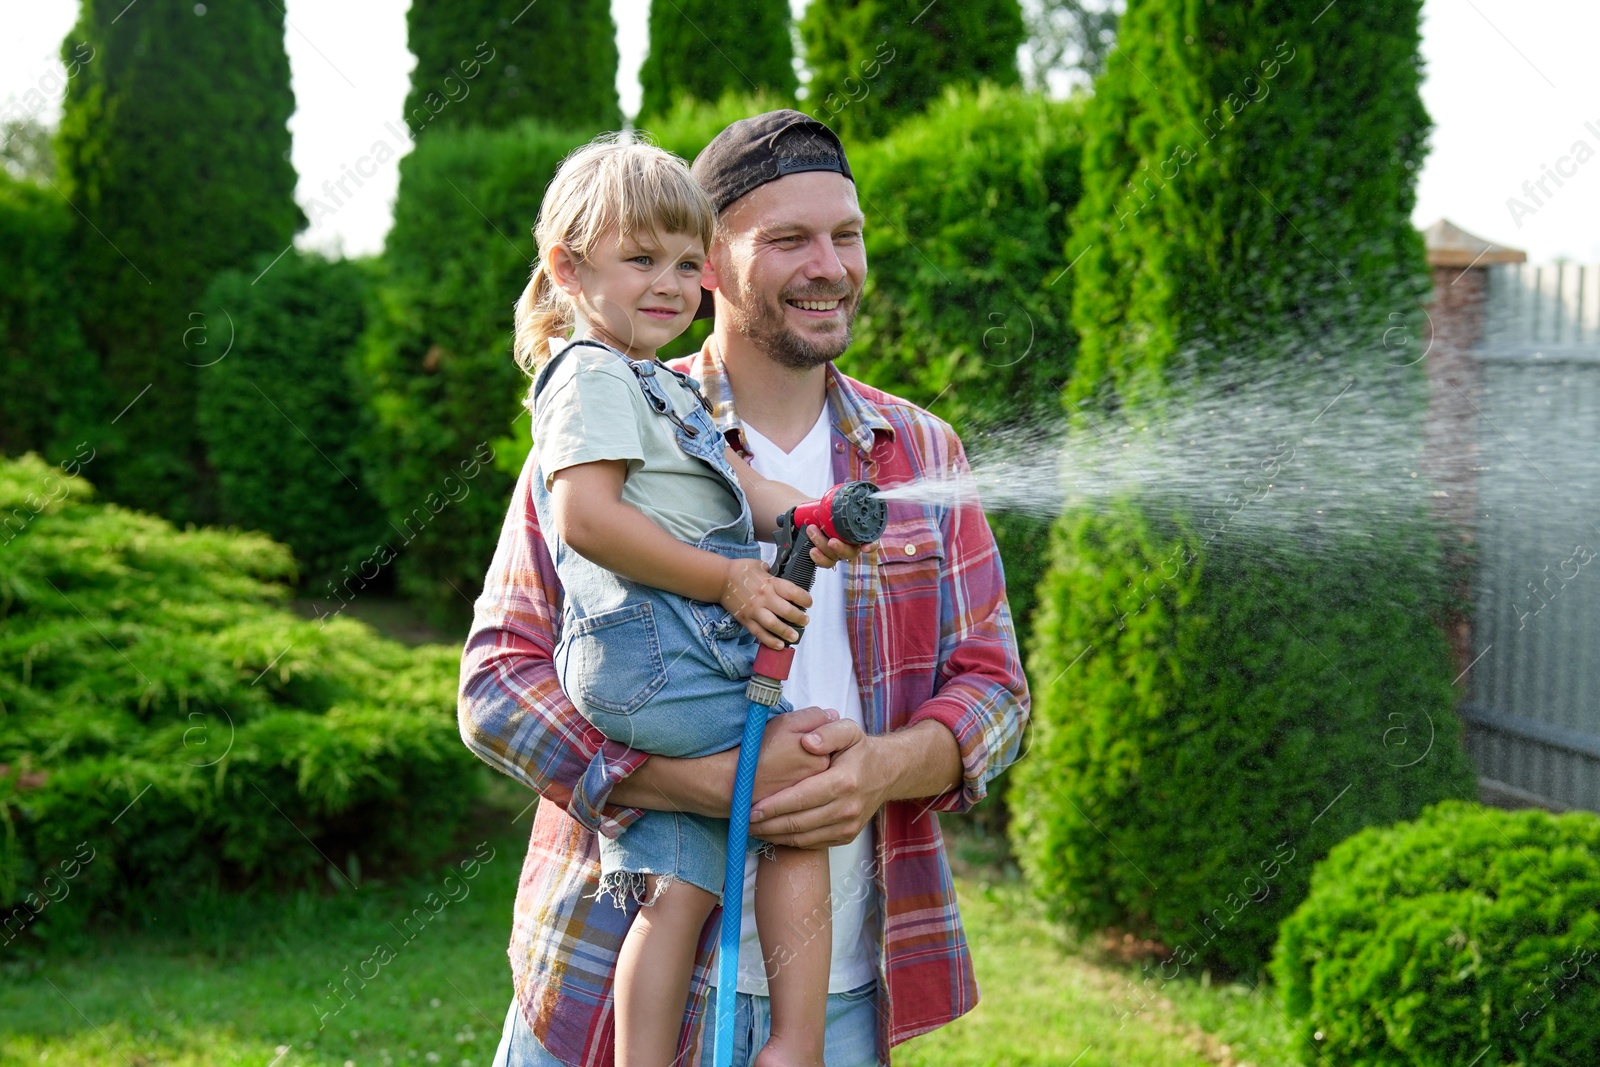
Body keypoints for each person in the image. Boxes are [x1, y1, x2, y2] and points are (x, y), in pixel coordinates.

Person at [461, 110, 1030, 1067]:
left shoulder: (922, 453)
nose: (830, 265)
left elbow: (997, 693)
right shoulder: (615, 421)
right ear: (712, 261)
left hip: (840, 998)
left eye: (846, 235)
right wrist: (699, 786)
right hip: (610, 985)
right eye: (790, 239)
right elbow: (495, 687)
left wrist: (875, 773)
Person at [510, 134, 863, 1067]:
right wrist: (730, 578)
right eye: (639, 260)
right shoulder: (589, 376)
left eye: (683, 261)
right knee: (798, 793)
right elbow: (586, 518)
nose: (670, 284)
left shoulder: (653, 389)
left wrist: (821, 513)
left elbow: (743, 489)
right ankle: (796, 1043)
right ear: (566, 267)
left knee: (676, 890)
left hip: (648, 670)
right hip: (654, 658)